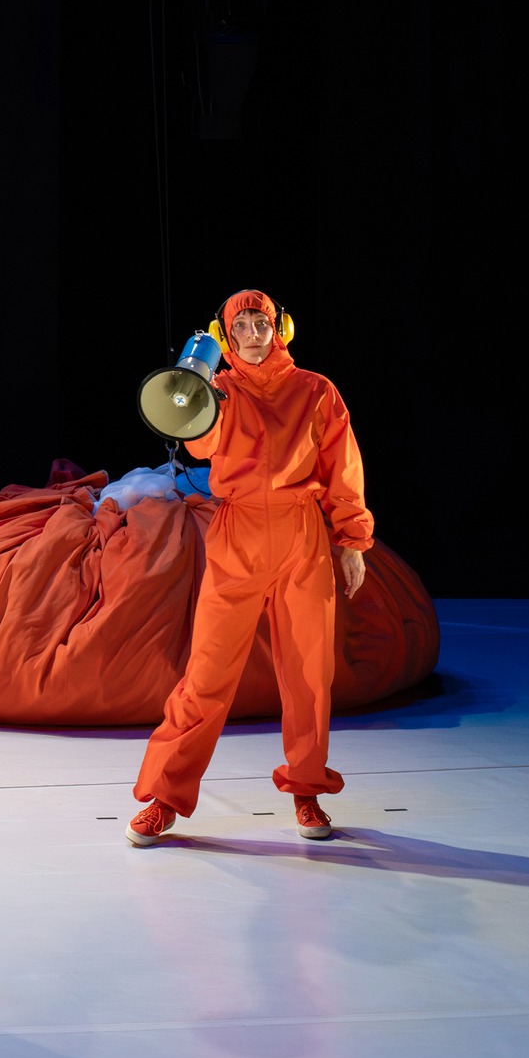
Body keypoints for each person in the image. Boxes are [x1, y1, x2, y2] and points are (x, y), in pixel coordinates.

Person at [126, 289, 372, 845]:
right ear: (226, 336)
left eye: (262, 325)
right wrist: (201, 395)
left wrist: (352, 539)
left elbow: (343, 465)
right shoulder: (221, 389)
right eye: (242, 328)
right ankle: (164, 797)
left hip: (301, 534)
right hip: (237, 537)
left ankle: (307, 791)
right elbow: (201, 448)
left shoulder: (316, 390)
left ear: (280, 329)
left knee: (310, 675)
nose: (254, 336)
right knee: (207, 674)